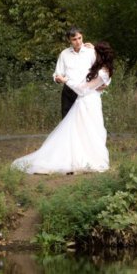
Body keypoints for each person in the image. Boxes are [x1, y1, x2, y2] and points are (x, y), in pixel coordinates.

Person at [12, 41, 115, 174]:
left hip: (88, 102)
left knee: (90, 130)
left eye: (95, 53)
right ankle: (80, 157)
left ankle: (88, 158)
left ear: (100, 55)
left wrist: (66, 80)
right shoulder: (98, 66)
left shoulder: (103, 72)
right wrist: (93, 46)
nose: (93, 54)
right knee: (79, 131)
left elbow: (82, 90)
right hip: (86, 101)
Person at [54, 26, 95, 119]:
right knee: (66, 120)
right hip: (69, 92)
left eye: (80, 38)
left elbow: (101, 68)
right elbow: (58, 73)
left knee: (85, 120)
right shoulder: (64, 54)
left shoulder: (91, 52)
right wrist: (58, 78)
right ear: (69, 40)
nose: (78, 41)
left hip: (86, 91)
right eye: (74, 39)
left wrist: (96, 50)